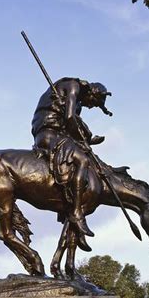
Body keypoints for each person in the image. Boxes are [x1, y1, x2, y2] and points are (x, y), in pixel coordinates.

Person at [31, 77, 112, 237]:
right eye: (93, 103)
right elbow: (69, 119)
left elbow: (73, 123)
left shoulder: (78, 101)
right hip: (48, 132)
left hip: (57, 133)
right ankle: (75, 212)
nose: (90, 106)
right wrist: (85, 139)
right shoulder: (73, 87)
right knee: (82, 160)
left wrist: (87, 139)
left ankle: (68, 203)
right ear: (92, 93)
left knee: (82, 157)